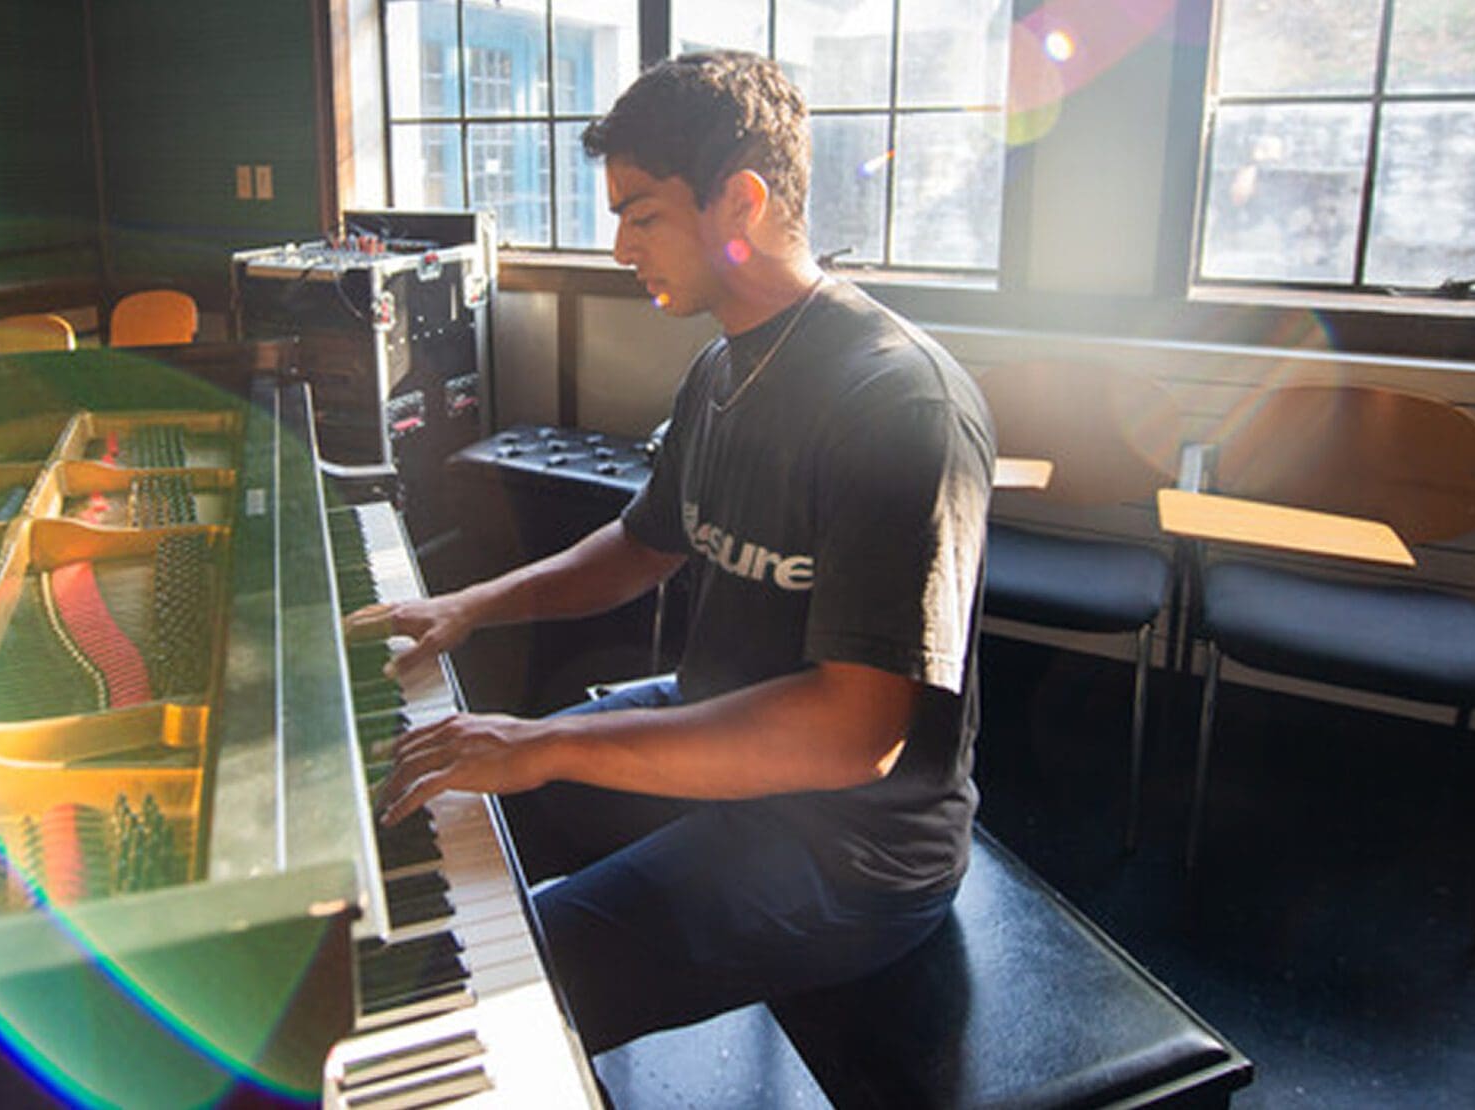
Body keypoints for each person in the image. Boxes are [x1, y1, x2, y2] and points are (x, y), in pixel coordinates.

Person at [347, 50, 996, 1054]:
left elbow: (850, 734)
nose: (617, 250)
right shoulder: (721, 369)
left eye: (641, 215)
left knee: (468, 997)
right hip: (707, 729)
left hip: (850, 850)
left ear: (738, 201)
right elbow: (644, 543)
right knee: (421, 809)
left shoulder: (897, 404)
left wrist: (549, 742)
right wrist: (469, 607)